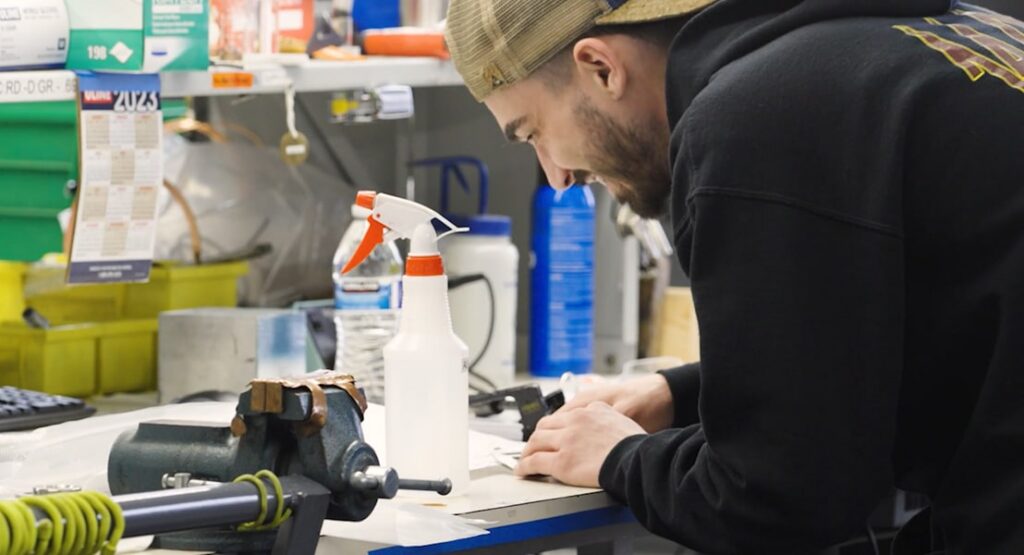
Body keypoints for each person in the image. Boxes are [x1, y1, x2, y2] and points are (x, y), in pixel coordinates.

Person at [445, 0, 1024, 553]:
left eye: (532, 132)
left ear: (600, 67)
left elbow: (778, 497)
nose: (557, 176)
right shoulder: (934, 40)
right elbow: (871, 338)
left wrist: (620, 456)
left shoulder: (755, 117)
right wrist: (681, 394)